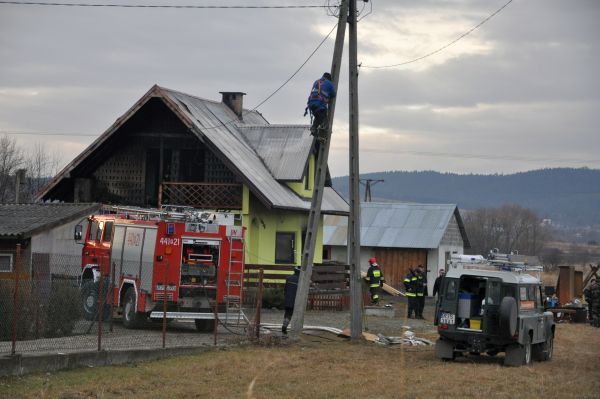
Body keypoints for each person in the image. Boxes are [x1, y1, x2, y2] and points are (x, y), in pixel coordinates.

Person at [305, 72, 336, 137]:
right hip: (319, 104)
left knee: (318, 117)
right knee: (324, 122)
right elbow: (333, 95)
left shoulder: (316, 81)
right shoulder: (329, 83)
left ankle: (314, 128)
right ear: (329, 79)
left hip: (311, 104)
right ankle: (323, 136)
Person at [282, 266, 300, 335]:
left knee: (287, 313)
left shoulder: (288, 278)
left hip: (287, 299)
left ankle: (284, 326)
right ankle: (286, 327)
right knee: (291, 314)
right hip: (294, 300)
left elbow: (285, 289)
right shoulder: (300, 280)